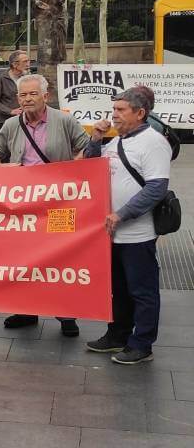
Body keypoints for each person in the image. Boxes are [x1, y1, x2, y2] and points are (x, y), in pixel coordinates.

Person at [0, 73, 89, 336]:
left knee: (60, 259)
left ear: (46, 96)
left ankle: (66, 315)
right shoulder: (12, 124)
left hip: (59, 204)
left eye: (33, 94)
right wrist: (1, 166)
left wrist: (70, 173)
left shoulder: (64, 120)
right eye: (23, 95)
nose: (27, 99)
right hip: (24, 207)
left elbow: (86, 150)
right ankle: (27, 310)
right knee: (24, 259)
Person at [84, 86, 172, 365]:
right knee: (118, 288)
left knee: (142, 291)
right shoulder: (117, 140)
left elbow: (157, 187)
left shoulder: (153, 142)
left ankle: (142, 344)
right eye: (114, 109)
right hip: (112, 235)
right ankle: (118, 335)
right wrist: (96, 138)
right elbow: (90, 167)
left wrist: (121, 214)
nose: (115, 115)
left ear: (140, 113)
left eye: (121, 110)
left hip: (137, 234)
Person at [0, 50, 30, 127]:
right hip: (7, 122)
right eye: (25, 61)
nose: (28, 64)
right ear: (15, 64)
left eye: (28, 61)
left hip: (25, 120)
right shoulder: (2, 78)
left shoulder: (27, 78)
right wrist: (10, 111)